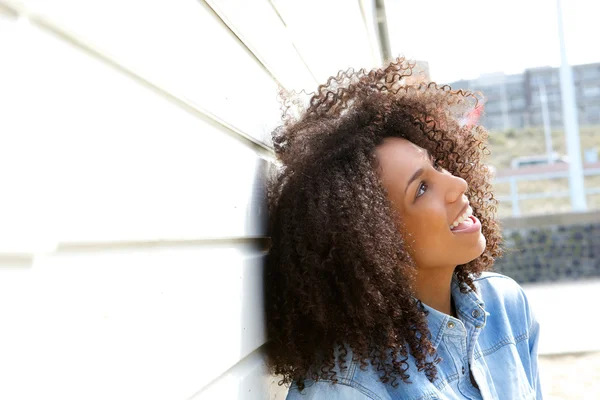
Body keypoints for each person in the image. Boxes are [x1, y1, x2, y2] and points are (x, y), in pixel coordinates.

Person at [263, 57, 542, 399]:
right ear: (373, 240)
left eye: (437, 163)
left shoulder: (505, 306)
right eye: (421, 188)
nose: (457, 184)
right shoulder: (345, 389)